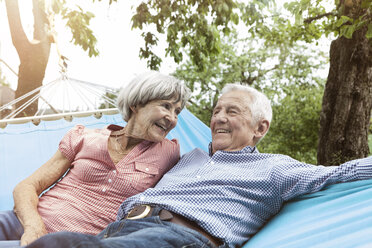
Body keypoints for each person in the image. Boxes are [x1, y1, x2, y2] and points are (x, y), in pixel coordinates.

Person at [26, 83, 372, 248]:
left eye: (231, 112)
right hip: (120, 230)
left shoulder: (274, 169)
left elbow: (341, 173)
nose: (219, 118)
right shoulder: (188, 156)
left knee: (59, 247)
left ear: (260, 128)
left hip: (179, 238)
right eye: (216, 111)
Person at [0, 71, 190, 247]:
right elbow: (27, 187)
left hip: (75, 241)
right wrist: (34, 226)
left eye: (177, 112)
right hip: (26, 221)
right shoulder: (84, 136)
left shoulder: (169, 153)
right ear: (136, 104)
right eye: (166, 106)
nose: (172, 118)